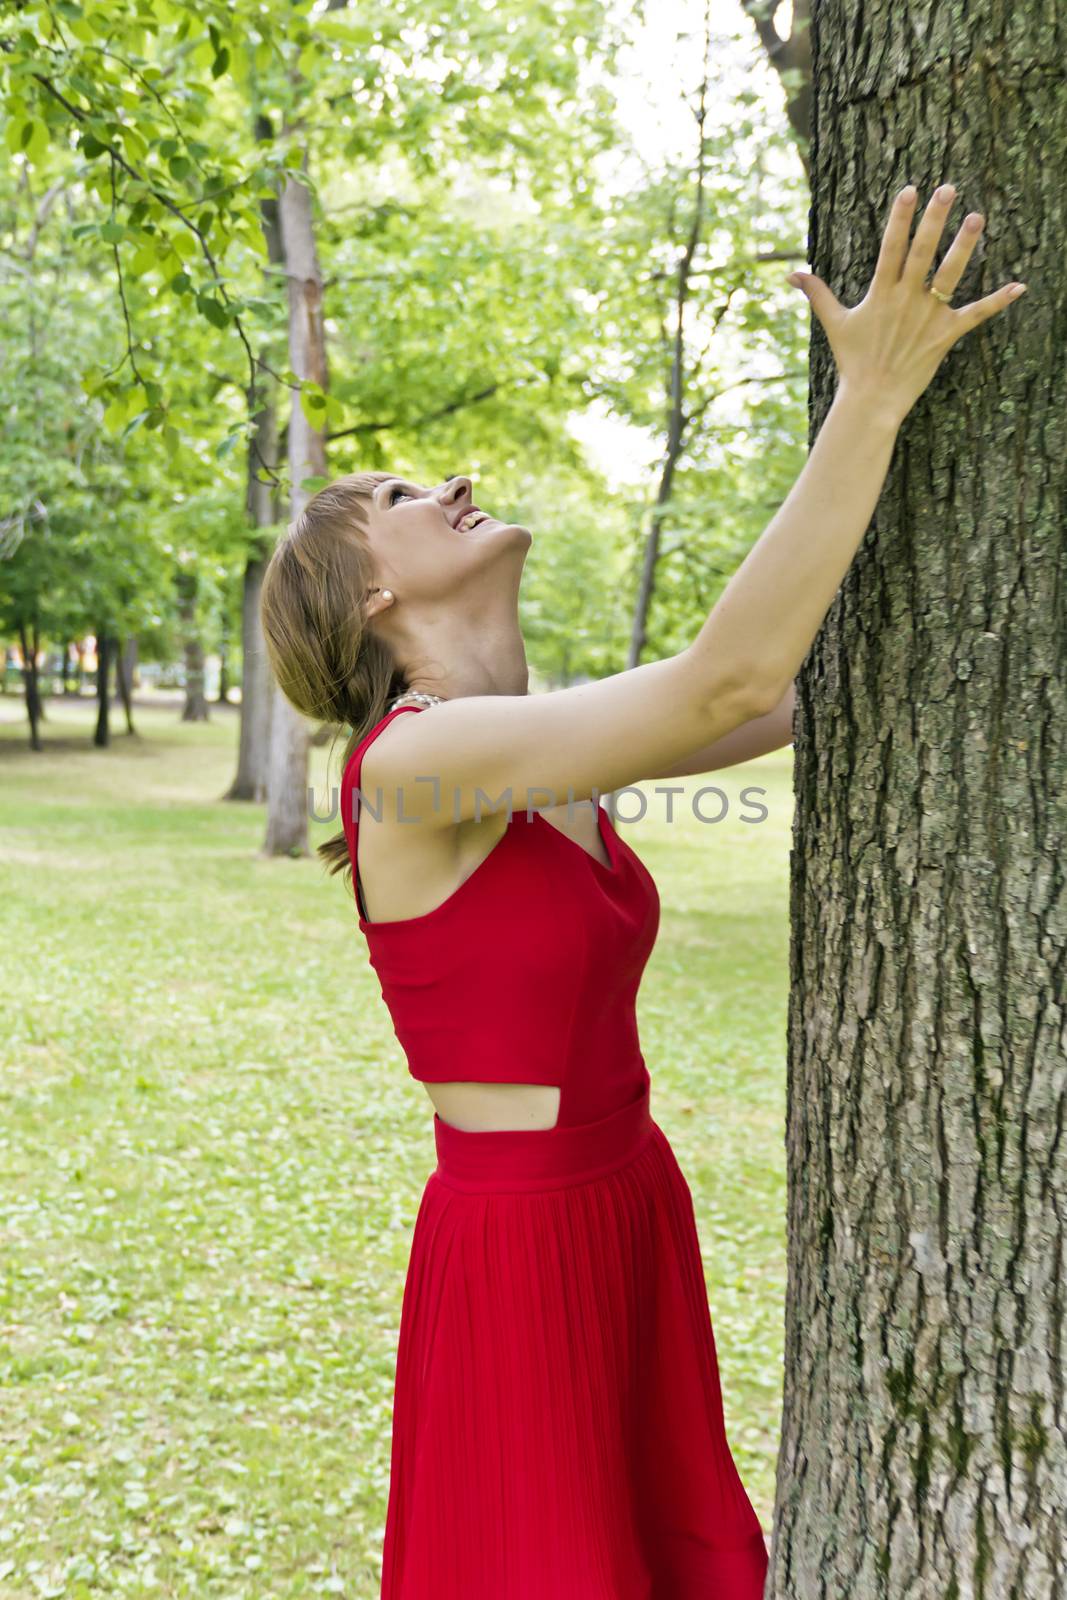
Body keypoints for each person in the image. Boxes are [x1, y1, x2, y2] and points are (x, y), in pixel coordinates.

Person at [258, 182, 1024, 1599]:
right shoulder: (415, 770)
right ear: (366, 596)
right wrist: (870, 393)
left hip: (622, 1202)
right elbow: (727, 681)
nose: (449, 487)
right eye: (402, 500)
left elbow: (776, 690)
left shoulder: (533, 752)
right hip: (522, 1245)